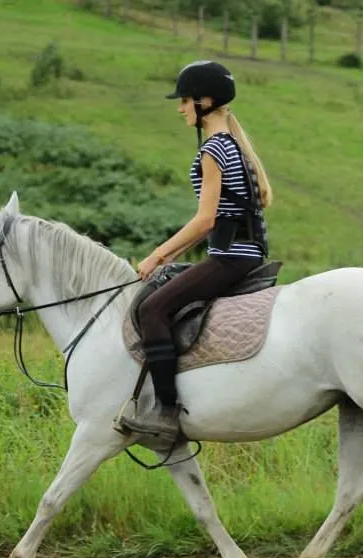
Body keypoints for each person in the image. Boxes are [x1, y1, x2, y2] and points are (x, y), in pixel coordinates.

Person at [117, 60, 273, 445]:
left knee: (152, 310)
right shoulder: (234, 144)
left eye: (185, 100)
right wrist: (175, 255)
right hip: (245, 252)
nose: (180, 108)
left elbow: (205, 220)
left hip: (230, 258)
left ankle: (165, 412)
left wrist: (157, 255)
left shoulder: (214, 149)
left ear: (205, 102)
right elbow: (222, 217)